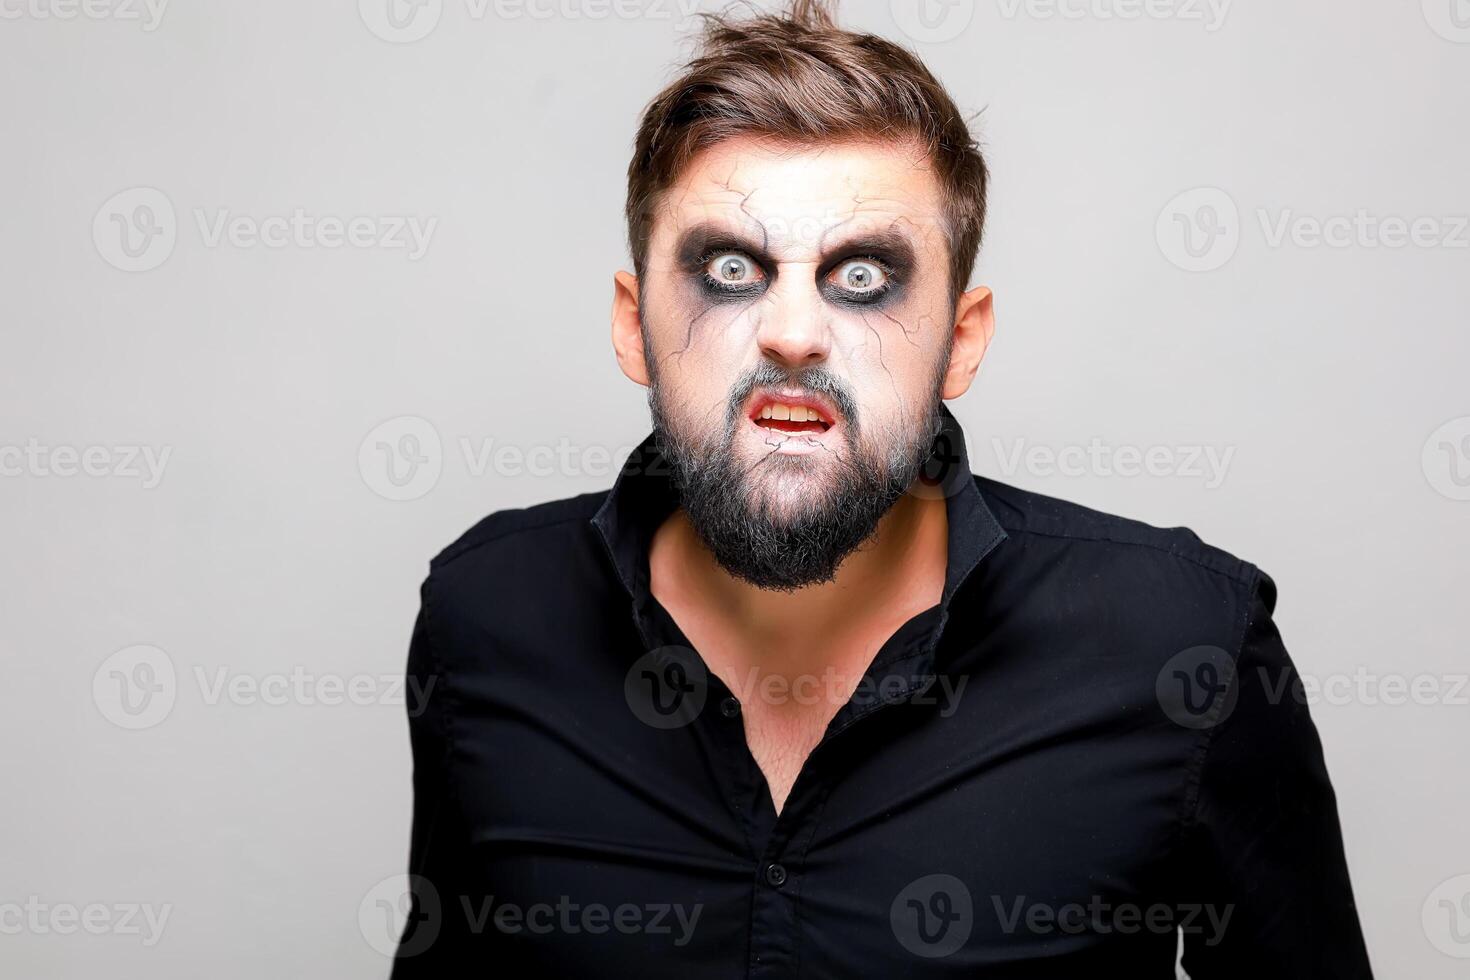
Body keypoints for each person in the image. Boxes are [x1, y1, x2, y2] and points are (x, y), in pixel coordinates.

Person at [391, 1, 1373, 974]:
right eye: (729, 266)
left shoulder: (1184, 643)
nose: (792, 332)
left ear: (963, 339)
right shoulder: (486, 619)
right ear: (630, 320)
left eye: (863, 278)